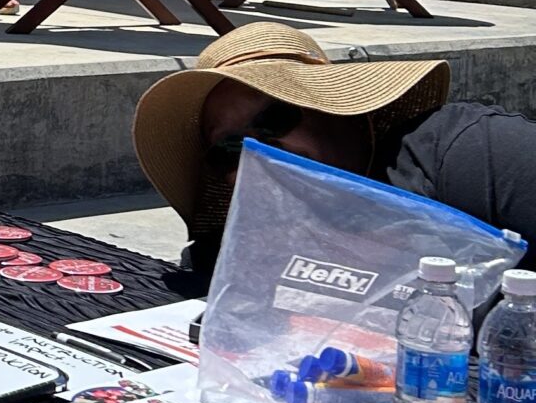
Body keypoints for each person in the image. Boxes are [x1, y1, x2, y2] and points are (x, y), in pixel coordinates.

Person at [130, 20, 536, 291]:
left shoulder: (473, 150)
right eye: (230, 149)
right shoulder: (252, 244)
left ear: (336, 108)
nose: (258, 154)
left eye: (275, 118)